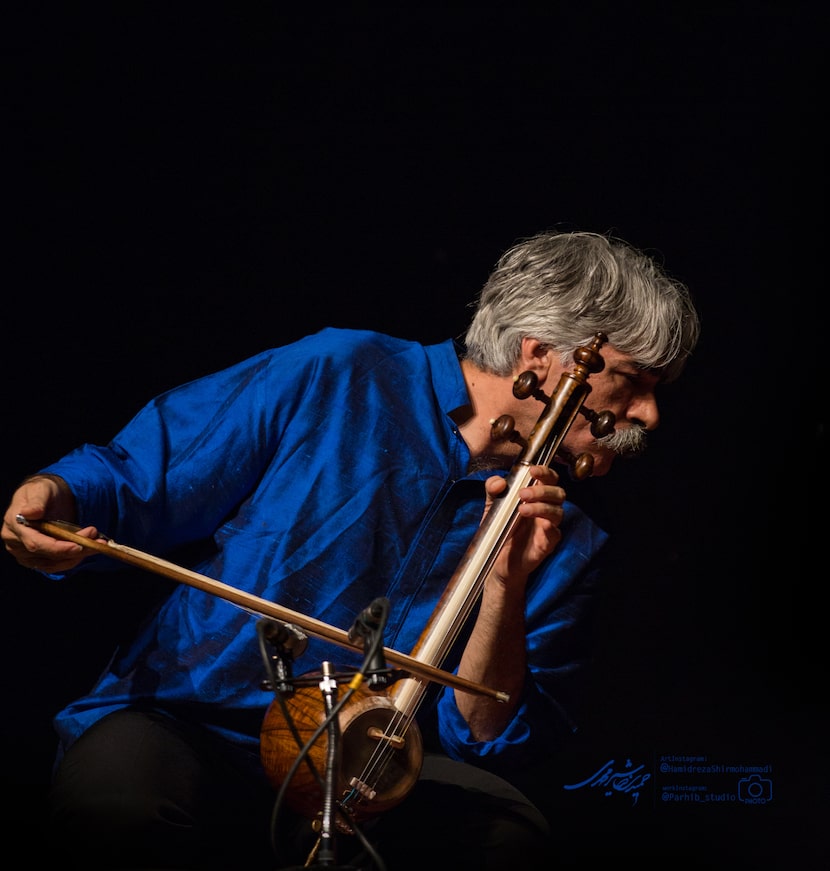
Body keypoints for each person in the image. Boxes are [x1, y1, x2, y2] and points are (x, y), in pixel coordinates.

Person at [3, 228, 700, 871]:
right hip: (193, 720)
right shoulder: (341, 372)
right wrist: (54, 495)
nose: (649, 415)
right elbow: (146, 474)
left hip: (374, 764)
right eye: (634, 380)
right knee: (115, 809)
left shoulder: (570, 530)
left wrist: (504, 585)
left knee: (508, 832)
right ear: (541, 357)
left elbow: (489, 734)